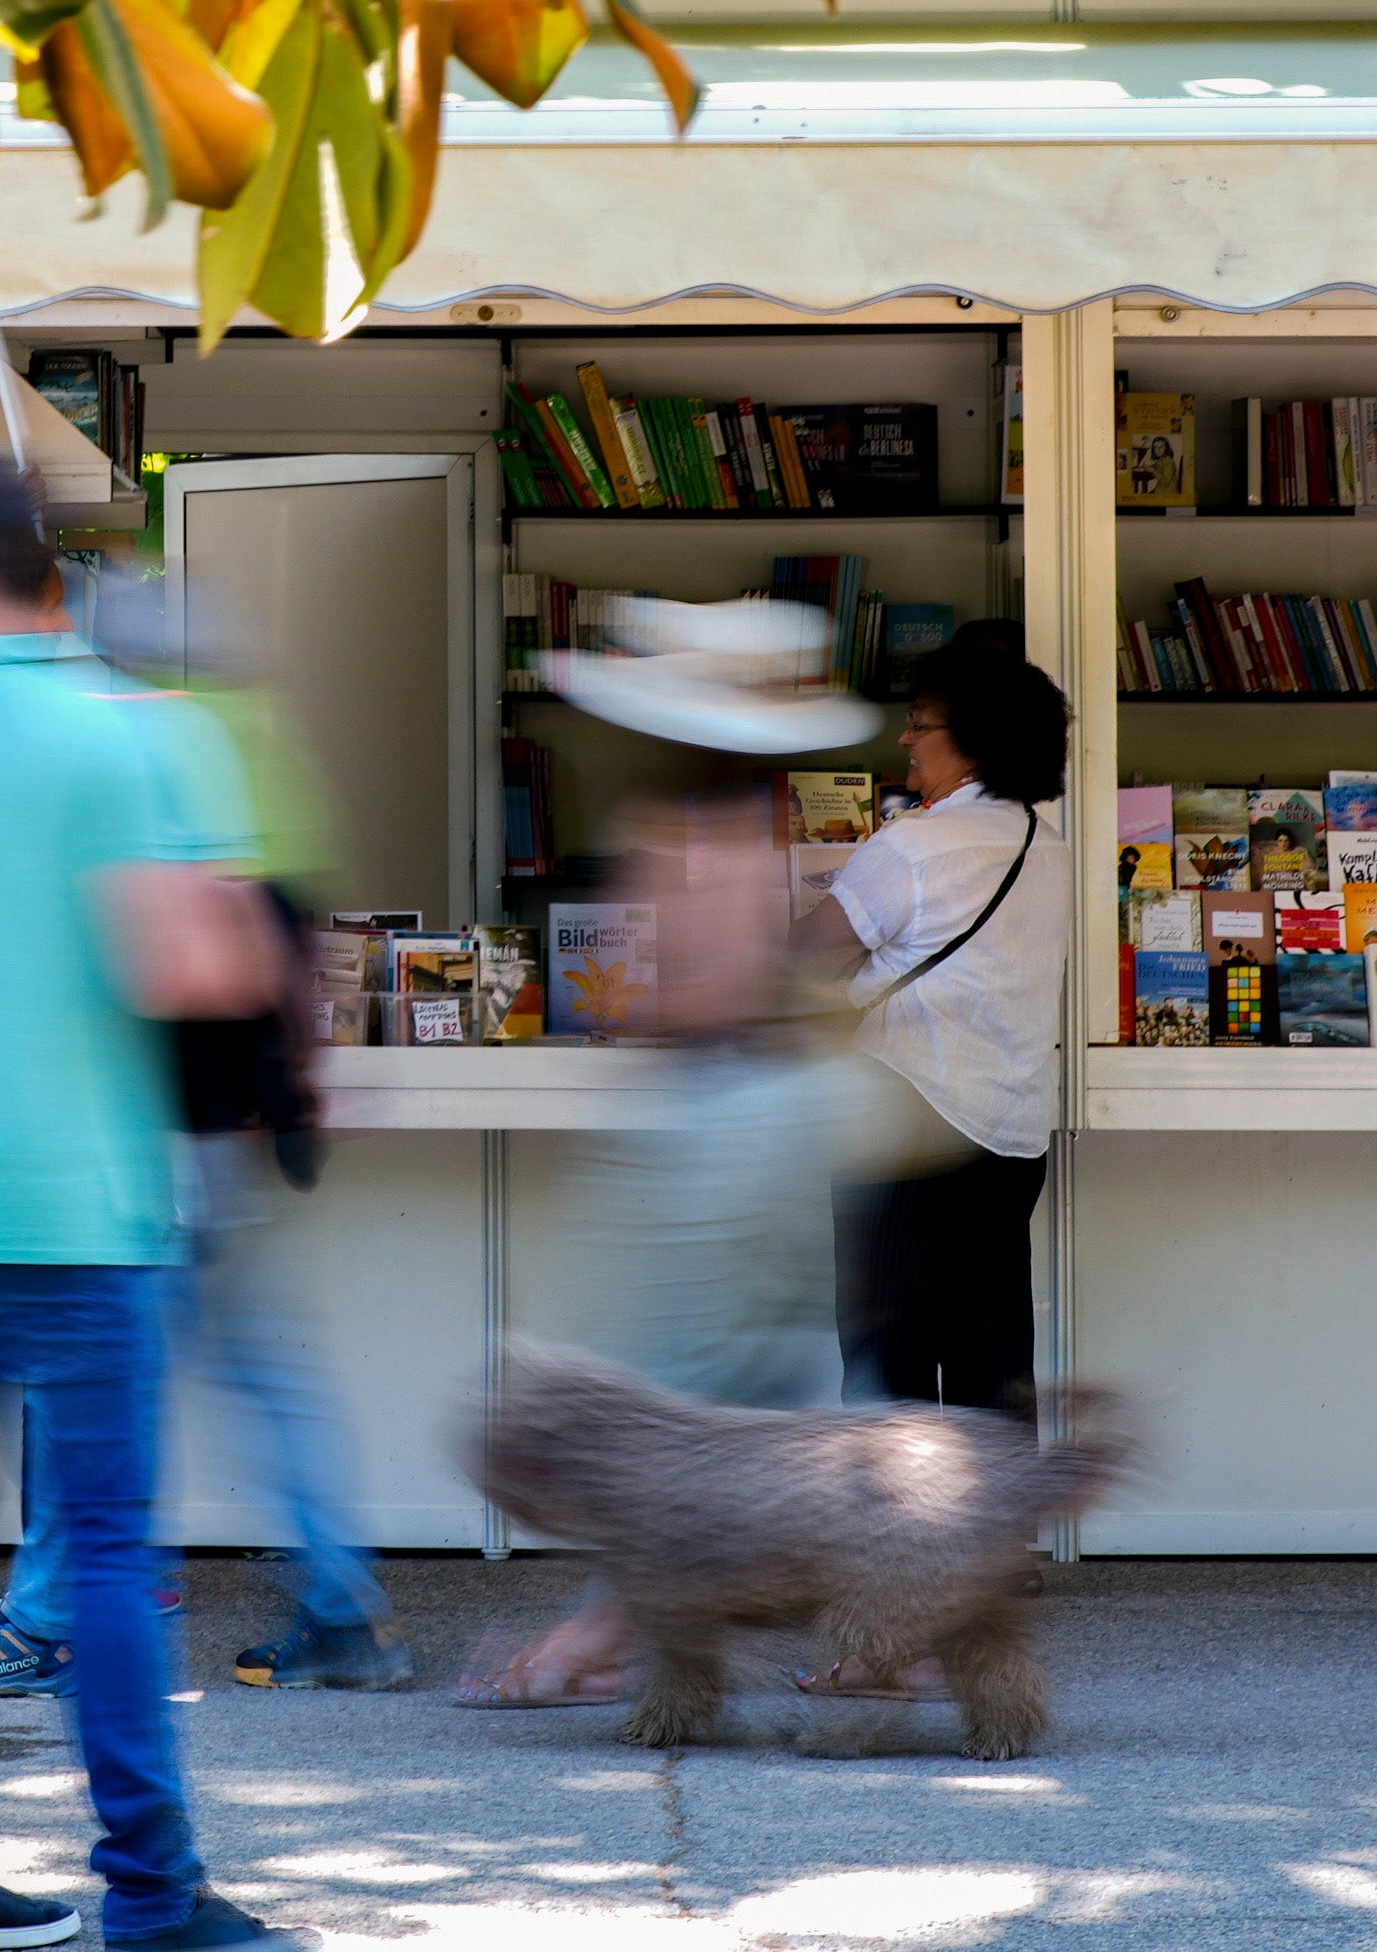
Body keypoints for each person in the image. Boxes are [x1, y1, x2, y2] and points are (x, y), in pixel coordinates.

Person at [0, 458, 328, 1952]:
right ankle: (155, 1905)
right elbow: (184, 972)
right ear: (49, 585)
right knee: (105, 1548)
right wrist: (242, 922)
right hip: (74, 1197)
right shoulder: (118, 734)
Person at [0, 578, 405, 1699]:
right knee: (260, 1372)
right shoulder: (250, 741)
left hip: (137, 1135)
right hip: (215, 1133)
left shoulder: (133, 743)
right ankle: (344, 1606)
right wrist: (297, 1080)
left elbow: (166, 942)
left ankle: (49, 1617)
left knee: (84, 1379)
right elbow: (289, 938)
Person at [452, 599, 895, 1715]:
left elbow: (704, 990)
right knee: (765, 1391)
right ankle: (889, 1620)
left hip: (717, 1124)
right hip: (757, 1114)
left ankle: (609, 1633)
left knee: (682, 1398)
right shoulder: (751, 820)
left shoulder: (691, 831)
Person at [813, 634, 1072, 1418]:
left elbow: (804, 955)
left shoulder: (913, 848)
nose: (904, 739)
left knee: (890, 1369)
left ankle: (891, 1505)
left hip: (905, 1133)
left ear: (970, 741)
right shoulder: (1047, 848)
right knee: (989, 1361)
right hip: (1010, 1138)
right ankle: (994, 1502)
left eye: (918, 723)